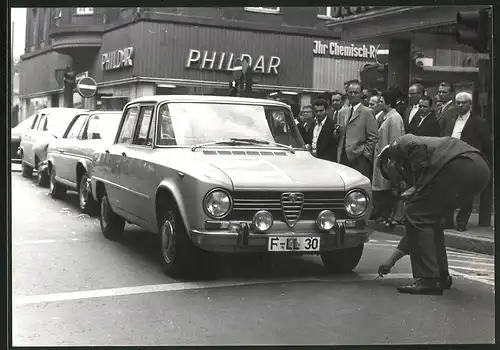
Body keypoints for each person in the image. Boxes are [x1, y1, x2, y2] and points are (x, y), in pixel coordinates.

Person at [376, 134, 491, 295]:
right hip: (479, 169)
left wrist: (418, 186)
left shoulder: (399, 144)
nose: (397, 181)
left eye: (391, 175)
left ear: (389, 162)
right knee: (428, 220)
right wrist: (391, 261)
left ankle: (428, 279)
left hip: (458, 164)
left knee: (416, 214)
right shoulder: (426, 159)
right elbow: (418, 230)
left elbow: (413, 145)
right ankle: (440, 276)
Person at [439, 92, 492, 231]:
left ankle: (462, 221)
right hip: (450, 159)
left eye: (464, 103)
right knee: (447, 191)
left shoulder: (479, 122)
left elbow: (486, 144)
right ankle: (447, 220)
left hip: (468, 160)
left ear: (470, 104)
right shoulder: (450, 119)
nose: (460, 105)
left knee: (466, 192)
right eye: (458, 102)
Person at [371, 90, 405, 226]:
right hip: (381, 158)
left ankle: (391, 214)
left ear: (388, 103)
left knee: (390, 187)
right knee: (383, 188)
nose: (379, 104)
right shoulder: (386, 116)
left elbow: (395, 140)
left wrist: (391, 159)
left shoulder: (395, 117)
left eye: (381, 102)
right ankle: (385, 214)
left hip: (388, 158)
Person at [337, 81, 379, 178]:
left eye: (356, 92)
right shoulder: (342, 112)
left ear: (361, 94)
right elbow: (339, 135)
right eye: (350, 92)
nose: (352, 95)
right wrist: (337, 132)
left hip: (359, 158)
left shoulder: (367, 112)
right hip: (343, 156)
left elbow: (373, 137)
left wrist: (365, 155)